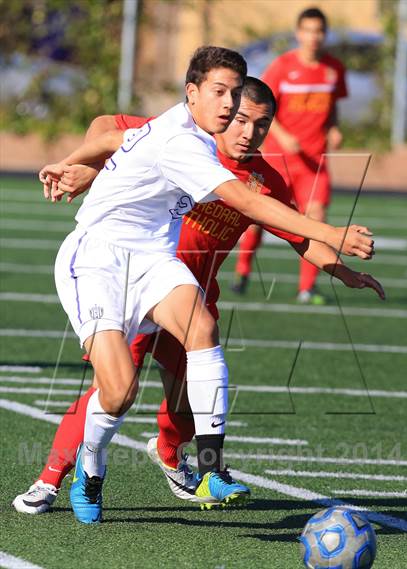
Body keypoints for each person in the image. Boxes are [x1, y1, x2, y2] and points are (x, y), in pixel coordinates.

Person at [13, 76, 383, 518]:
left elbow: (297, 235)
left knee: (192, 395)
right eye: (241, 119)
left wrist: (343, 272)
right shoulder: (182, 138)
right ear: (222, 112)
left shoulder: (264, 180)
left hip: (188, 293)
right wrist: (83, 168)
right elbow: (107, 128)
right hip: (133, 279)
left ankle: (174, 456)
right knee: (113, 388)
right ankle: (52, 478)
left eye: (262, 124)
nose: (249, 132)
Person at [232, 7, 347, 304]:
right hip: (279, 160)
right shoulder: (283, 67)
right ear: (299, 33)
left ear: (325, 34)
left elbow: (332, 108)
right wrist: (282, 135)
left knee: (316, 217)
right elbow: (263, 108)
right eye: (308, 30)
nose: (313, 37)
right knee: (258, 218)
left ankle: (306, 287)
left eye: (319, 31)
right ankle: (243, 271)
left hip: (314, 163)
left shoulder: (334, 69)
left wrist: (334, 128)